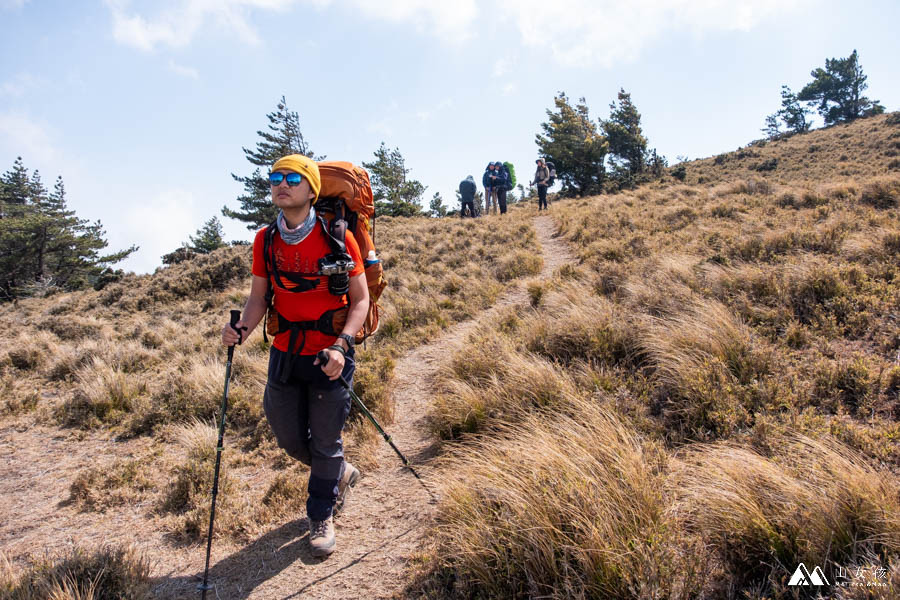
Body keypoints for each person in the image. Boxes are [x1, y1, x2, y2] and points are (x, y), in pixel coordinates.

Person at [221, 154, 369, 558]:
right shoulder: (265, 240)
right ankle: (339, 471)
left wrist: (342, 346)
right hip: (285, 353)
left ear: (311, 189)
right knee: (288, 437)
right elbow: (259, 298)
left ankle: (321, 515)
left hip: (330, 355)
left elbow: (360, 300)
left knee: (325, 440)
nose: (281, 184)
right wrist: (241, 329)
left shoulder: (338, 237)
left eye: (292, 178)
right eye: (275, 177)